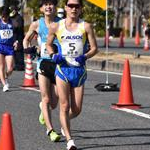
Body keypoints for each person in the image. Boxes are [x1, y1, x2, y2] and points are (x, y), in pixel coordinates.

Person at [46, 0, 98, 149]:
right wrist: (53, 55)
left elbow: (94, 48)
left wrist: (85, 56)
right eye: (71, 5)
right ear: (66, 8)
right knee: (64, 105)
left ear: (81, 8)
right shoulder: (56, 26)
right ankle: (70, 141)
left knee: (76, 109)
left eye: (77, 6)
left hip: (79, 71)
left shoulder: (86, 26)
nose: (73, 8)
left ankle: (64, 122)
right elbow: (48, 44)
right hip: (62, 69)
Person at [23, 0, 61, 142]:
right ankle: (50, 130)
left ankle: (43, 110)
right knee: (45, 98)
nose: (48, 7)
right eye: (45, 4)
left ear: (55, 7)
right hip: (43, 63)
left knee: (54, 103)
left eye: (51, 4)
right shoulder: (36, 24)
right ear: (41, 8)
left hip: (58, 65)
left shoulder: (61, 23)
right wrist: (29, 50)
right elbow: (26, 40)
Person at [0, 6, 19, 92]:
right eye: (2, 16)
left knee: (10, 68)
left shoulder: (13, 23)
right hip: (0, 46)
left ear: (8, 15)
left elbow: (16, 35)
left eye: (6, 16)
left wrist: (16, 42)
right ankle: (5, 84)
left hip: (9, 47)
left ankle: (4, 77)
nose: (4, 18)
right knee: (1, 66)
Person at [9, 5, 25, 71]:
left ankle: (20, 65)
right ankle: (16, 65)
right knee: (15, 52)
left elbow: (19, 27)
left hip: (19, 37)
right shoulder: (11, 18)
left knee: (19, 51)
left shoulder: (19, 18)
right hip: (13, 37)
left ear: (15, 10)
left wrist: (14, 27)